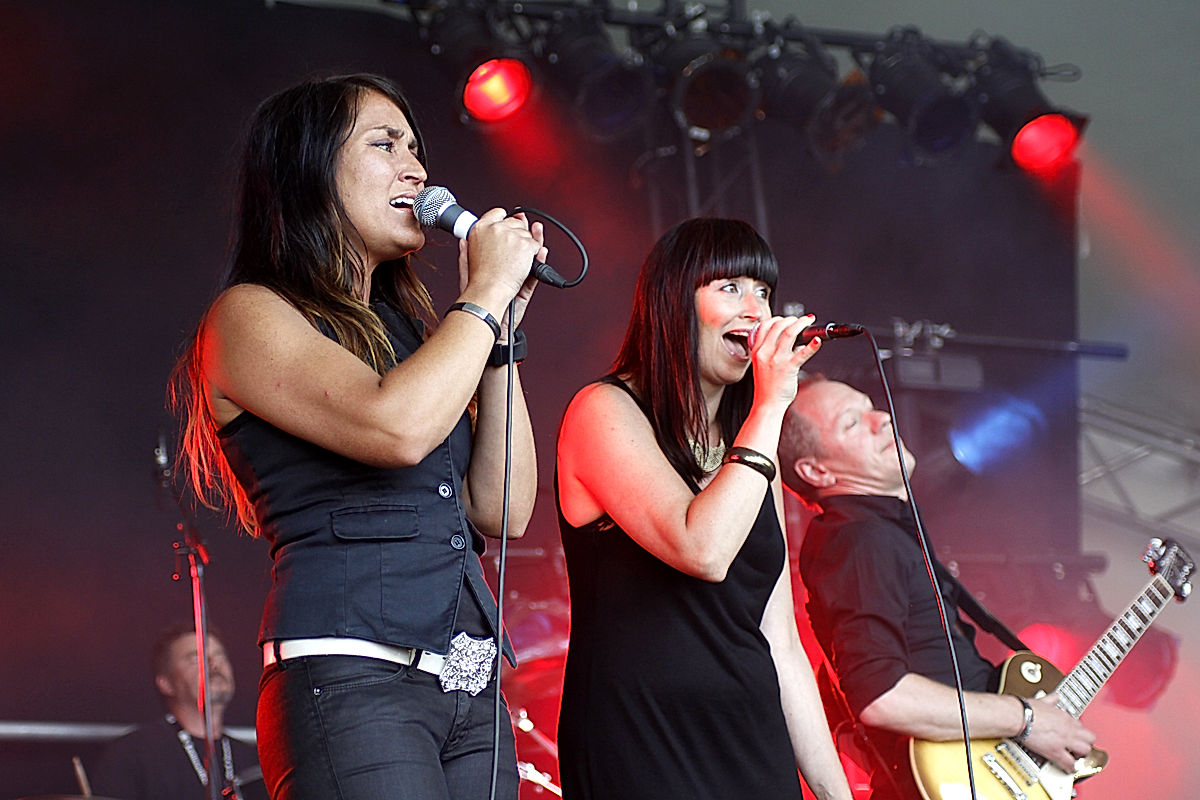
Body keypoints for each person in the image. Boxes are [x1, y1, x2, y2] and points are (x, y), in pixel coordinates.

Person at [169, 73, 545, 800]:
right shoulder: (248, 316)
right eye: (384, 144)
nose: (417, 168)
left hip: (469, 689)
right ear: (309, 171)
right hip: (352, 679)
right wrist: (483, 295)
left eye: (415, 147)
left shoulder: (418, 335)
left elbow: (502, 509)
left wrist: (502, 334)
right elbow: (396, 429)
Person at [554, 218, 853, 800]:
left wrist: (837, 795)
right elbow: (702, 549)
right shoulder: (603, 411)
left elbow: (781, 643)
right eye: (731, 287)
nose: (756, 311)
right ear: (673, 302)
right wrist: (769, 410)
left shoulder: (747, 446)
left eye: (763, 292)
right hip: (643, 742)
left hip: (751, 741)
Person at [778, 375, 1097, 798]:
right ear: (816, 470)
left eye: (872, 407)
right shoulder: (855, 538)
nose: (882, 419)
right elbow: (880, 696)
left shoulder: (878, 531)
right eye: (851, 423)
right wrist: (1026, 719)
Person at [90, 623, 262, 800]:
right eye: (196, 658)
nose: (214, 664)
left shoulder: (253, 759)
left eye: (220, 656)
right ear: (166, 683)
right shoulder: (132, 754)